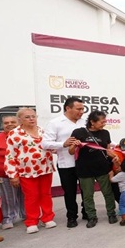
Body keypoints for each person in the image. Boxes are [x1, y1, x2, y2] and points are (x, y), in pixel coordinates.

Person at [6, 107, 57, 233]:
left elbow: (49, 146)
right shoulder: (14, 134)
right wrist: (13, 174)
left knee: (45, 194)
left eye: (33, 116)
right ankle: (32, 221)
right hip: (26, 171)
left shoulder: (42, 131)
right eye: (27, 117)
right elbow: (10, 155)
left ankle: (47, 218)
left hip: (45, 168)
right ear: (20, 119)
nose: (31, 119)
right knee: (31, 197)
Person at [41, 97, 87, 228]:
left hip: (84, 163)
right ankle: (72, 217)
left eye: (83, 109)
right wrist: (63, 144)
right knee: (70, 192)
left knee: (86, 190)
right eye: (79, 109)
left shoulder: (84, 122)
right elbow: (45, 143)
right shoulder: (55, 123)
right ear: (68, 108)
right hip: (66, 163)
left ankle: (87, 212)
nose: (82, 111)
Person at [69, 110, 119, 227]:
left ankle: (111, 214)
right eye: (102, 122)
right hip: (84, 170)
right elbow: (71, 152)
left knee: (108, 193)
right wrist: (74, 145)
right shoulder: (79, 132)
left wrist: (115, 157)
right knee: (87, 195)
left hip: (102, 168)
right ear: (92, 122)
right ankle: (91, 217)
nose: (104, 124)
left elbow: (106, 150)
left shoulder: (105, 133)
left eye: (105, 121)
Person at [0, 115, 24, 229]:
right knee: (8, 198)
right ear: (2, 125)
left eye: (13, 122)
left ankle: (27, 215)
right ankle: (8, 218)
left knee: (25, 196)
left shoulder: (24, 135)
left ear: (18, 123)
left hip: (25, 173)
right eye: (6, 123)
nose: (9, 124)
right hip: (4, 174)